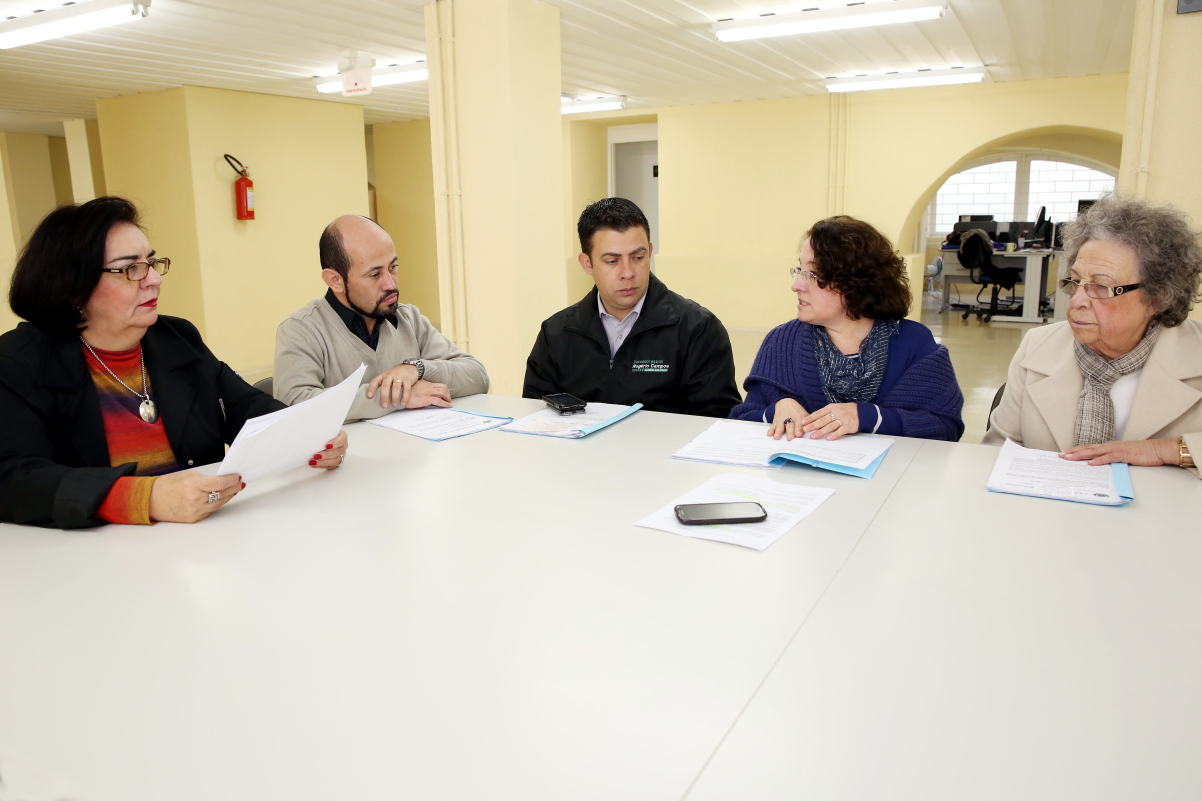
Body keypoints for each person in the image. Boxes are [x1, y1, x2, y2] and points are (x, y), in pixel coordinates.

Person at [0, 197, 348, 529]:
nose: (153, 279)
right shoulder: (20, 361)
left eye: (151, 263)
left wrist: (308, 435)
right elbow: (14, 478)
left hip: (201, 544)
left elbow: (248, 406)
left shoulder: (175, 337)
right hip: (86, 564)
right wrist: (144, 498)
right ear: (73, 287)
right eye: (130, 269)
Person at [983, 195, 1201, 476]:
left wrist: (1165, 450)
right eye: (1075, 282)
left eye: (1101, 287)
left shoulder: (1195, 353)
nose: (1076, 302)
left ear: (1158, 298)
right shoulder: (1038, 346)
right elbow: (996, 452)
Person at [730, 215, 964, 441]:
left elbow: (945, 428)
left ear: (857, 282)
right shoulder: (782, 341)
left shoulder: (913, 343)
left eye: (813, 274)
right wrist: (776, 410)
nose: (796, 285)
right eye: (799, 270)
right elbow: (740, 419)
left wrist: (868, 417)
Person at [523, 198, 741, 417]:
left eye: (638, 257)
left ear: (650, 251)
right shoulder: (556, 333)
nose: (628, 272)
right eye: (612, 261)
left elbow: (716, 419)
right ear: (587, 263)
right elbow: (537, 414)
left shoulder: (697, 329)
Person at [275, 215, 488, 421]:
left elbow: (477, 376)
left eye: (393, 268)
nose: (391, 285)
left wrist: (416, 369)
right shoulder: (300, 330)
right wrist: (399, 396)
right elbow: (294, 404)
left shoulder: (408, 318)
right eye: (375, 274)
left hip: (415, 451)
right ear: (335, 280)